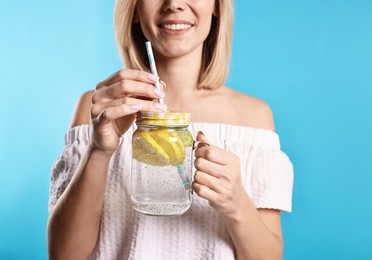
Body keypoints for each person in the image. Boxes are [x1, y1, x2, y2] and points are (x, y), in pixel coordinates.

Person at [47, 0, 294, 259]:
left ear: (217, 6)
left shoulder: (253, 117)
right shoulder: (100, 109)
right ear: (133, 9)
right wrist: (98, 150)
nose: (174, 4)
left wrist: (237, 203)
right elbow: (63, 255)